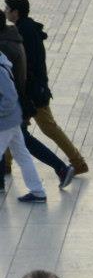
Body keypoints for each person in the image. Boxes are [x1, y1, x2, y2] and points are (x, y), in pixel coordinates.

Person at [4, 0, 87, 179]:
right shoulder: (27, 28)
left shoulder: (21, 32)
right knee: (15, 129)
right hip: (32, 89)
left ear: (16, 12)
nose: (5, 11)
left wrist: (24, 92)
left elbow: (27, 65)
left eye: (7, 8)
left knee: (47, 127)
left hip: (31, 91)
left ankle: (77, 162)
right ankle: (6, 165)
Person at [0, 55, 46, 205]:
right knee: (22, 155)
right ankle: (38, 191)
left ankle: (38, 191)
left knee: (22, 154)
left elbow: (10, 97)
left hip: (5, 122)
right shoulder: (2, 62)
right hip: (12, 119)